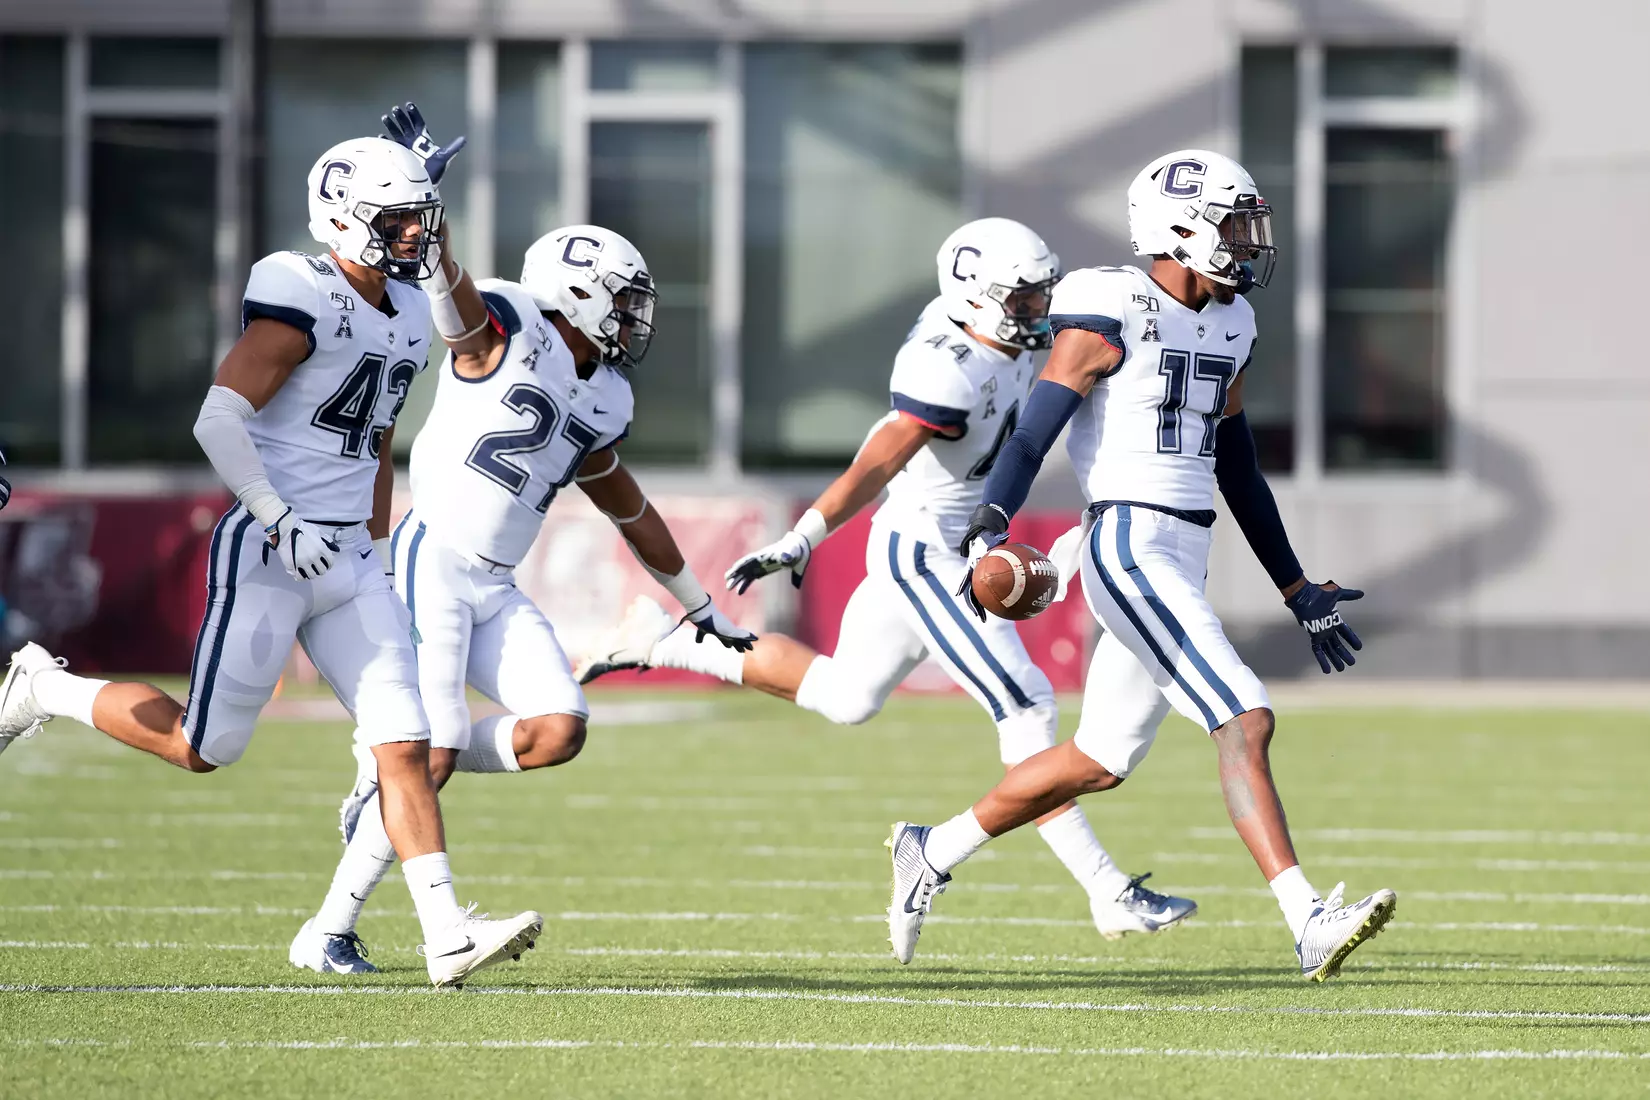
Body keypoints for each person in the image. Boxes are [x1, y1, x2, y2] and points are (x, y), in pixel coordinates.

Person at [0, 130, 541, 988]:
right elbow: (218, 417)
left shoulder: (405, 308)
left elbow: (386, 425)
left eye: (420, 221)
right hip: (270, 546)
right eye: (398, 222)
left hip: (349, 558)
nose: (417, 237)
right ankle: (45, 688)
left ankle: (445, 934)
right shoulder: (301, 289)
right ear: (345, 221)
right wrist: (277, 514)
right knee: (201, 746)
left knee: (408, 739)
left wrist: (371, 536)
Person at [581, 218, 1196, 940]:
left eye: (1039, 296)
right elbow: (877, 459)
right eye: (1022, 301)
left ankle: (665, 641)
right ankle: (1104, 888)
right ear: (974, 300)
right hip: (929, 553)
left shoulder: (1014, 333)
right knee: (1028, 708)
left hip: (947, 543)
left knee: (847, 696)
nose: (1038, 311)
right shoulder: (948, 367)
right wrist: (805, 534)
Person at [884, 150, 1396, 982]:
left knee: (1100, 759)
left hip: (1184, 549)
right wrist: (989, 525)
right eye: (1233, 224)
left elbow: (1239, 468)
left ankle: (929, 850)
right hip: (1126, 543)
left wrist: (1297, 587)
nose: (1248, 241)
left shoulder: (1234, 322)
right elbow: (1033, 429)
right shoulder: (1108, 304)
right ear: (1180, 227)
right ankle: (1307, 920)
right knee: (1245, 716)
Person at [288, 105, 754, 975]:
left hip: (496, 582)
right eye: (625, 300)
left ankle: (381, 785)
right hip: (430, 559)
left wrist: (699, 605)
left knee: (556, 728)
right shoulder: (510, 323)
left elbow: (628, 506)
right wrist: (427, 222)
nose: (635, 317)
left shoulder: (606, 394)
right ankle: (363, 919)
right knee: (426, 754)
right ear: (577, 294)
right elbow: (457, 313)